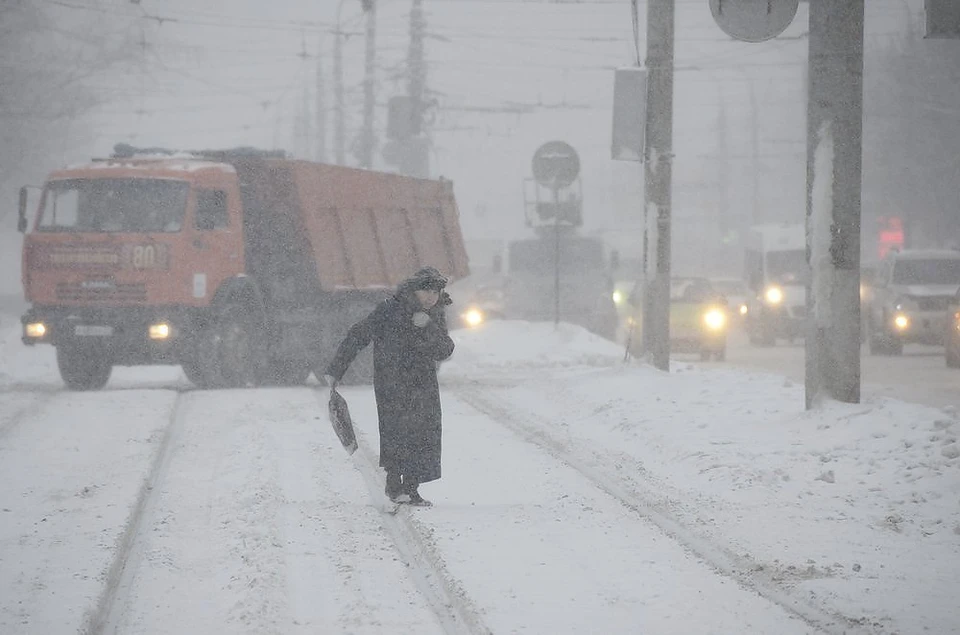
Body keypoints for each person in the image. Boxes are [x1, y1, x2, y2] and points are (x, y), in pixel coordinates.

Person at [323, 267, 455, 506]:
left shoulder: (433, 315)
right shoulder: (389, 310)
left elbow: (445, 349)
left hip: (423, 384)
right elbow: (358, 335)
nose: (431, 297)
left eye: (435, 291)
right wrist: (336, 370)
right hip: (392, 383)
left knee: (424, 434)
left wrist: (429, 327)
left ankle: (411, 489)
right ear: (413, 290)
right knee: (396, 431)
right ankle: (395, 485)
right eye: (426, 290)